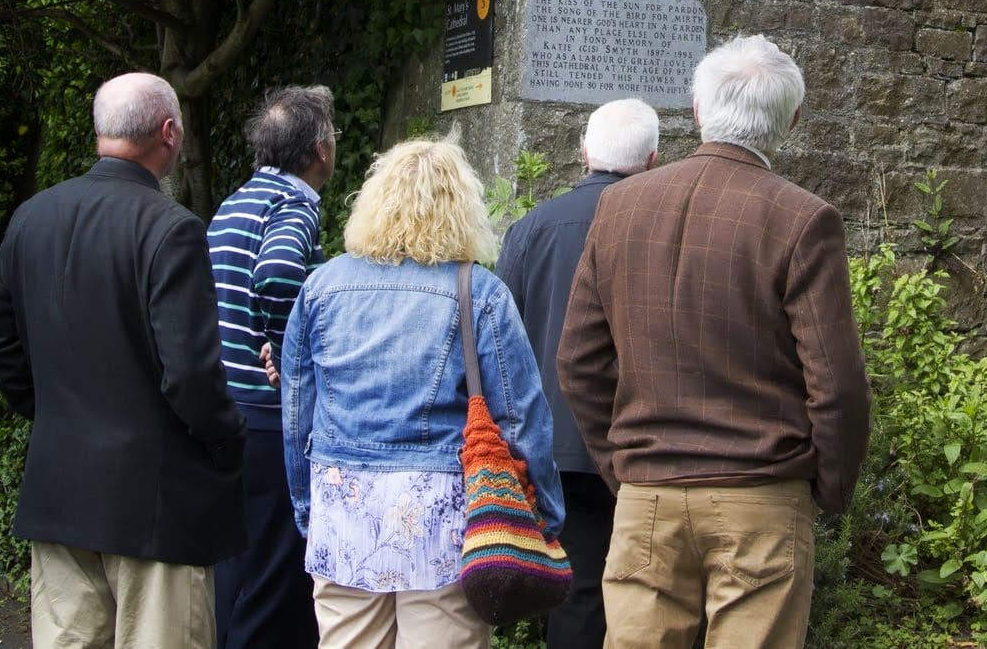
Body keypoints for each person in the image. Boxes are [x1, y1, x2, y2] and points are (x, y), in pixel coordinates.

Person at [558, 34, 871, 649]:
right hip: (760, 494)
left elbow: (578, 363)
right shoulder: (803, 219)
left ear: (697, 112)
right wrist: (827, 488)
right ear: (793, 120)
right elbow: (837, 386)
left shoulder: (619, 207)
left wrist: (624, 468)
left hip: (649, 494)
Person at [0, 73, 246, 649]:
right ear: (169, 132)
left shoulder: (32, 217)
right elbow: (193, 375)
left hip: (58, 488)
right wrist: (228, 439)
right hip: (157, 502)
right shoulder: (170, 228)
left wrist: (53, 415)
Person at [282, 138, 562, 649]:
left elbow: (299, 412)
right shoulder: (478, 291)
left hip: (344, 508)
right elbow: (520, 418)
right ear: (462, 208)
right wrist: (543, 512)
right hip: (441, 517)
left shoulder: (321, 286)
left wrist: (307, 507)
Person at [496, 98, 659, 649]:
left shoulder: (531, 229)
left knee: (579, 598)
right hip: (647, 439)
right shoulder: (660, 226)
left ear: (584, 152)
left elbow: (502, 339)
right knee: (656, 596)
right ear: (655, 159)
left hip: (557, 445)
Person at [209, 85, 336, 649]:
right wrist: (293, 349)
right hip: (267, 416)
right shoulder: (294, 203)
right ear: (319, 148)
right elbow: (280, 274)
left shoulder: (237, 201)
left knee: (237, 570)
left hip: (227, 408)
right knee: (276, 579)